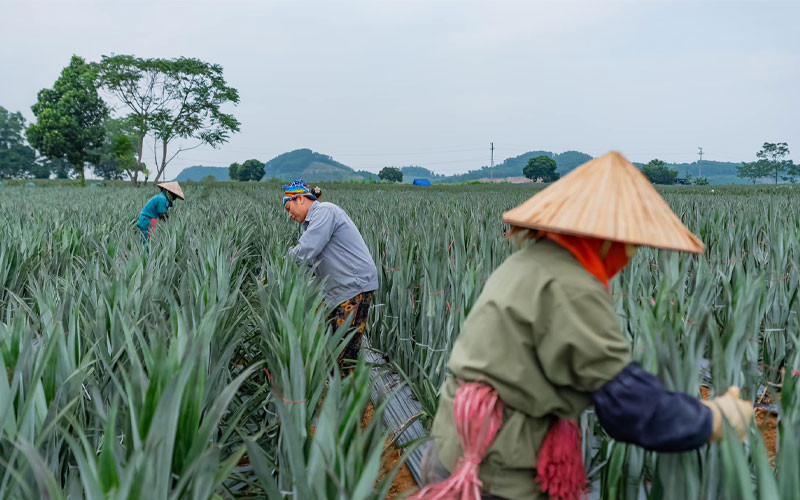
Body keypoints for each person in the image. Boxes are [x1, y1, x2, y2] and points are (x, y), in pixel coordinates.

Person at [416, 152, 753, 500]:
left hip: (453, 446)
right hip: (495, 473)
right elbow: (625, 405)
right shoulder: (570, 286)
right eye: (630, 241)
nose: (632, 253)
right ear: (602, 237)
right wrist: (714, 418)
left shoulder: (530, 262)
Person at [282, 180, 378, 373]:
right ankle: (342, 392)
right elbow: (310, 263)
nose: (290, 214)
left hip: (353, 286)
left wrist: (281, 262)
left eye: (289, 207)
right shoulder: (312, 222)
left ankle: (347, 397)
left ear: (300, 198)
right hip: (340, 289)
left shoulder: (324, 211)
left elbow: (307, 249)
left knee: (343, 353)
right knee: (335, 346)